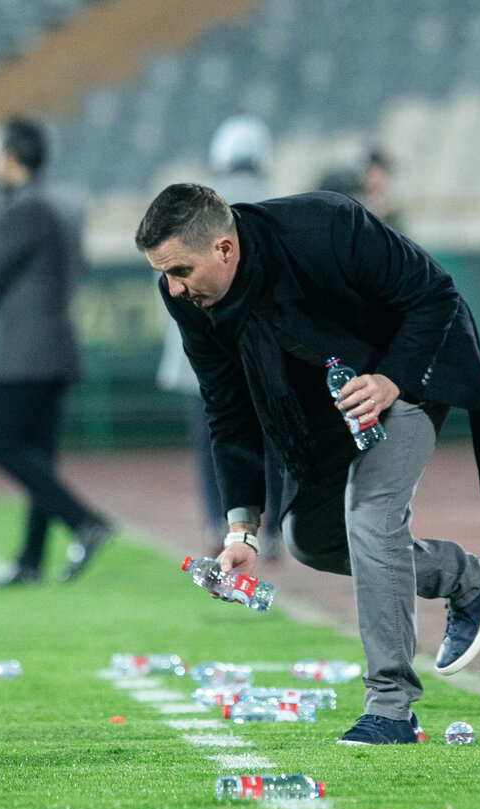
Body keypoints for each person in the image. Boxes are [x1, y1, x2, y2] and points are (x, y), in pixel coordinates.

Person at [136, 183, 480, 745]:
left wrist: (391, 380)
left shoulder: (325, 225)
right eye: (164, 274)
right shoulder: (186, 298)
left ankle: (390, 707)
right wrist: (241, 528)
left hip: (410, 369)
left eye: (179, 270)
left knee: (370, 515)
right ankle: (472, 579)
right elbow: (227, 407)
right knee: (311, 540)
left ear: (225, 249)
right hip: (329, 402)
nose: (171, 288)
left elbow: (435, 294)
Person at [0, 116, 112, 588]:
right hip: (56, 344)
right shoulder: (67, 203)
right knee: (38, 456)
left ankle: (84, 521)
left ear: (10, 157)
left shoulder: (21, 208)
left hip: (19, 351)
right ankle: (30, 561)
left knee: (0, 443)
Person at [157, 115, 284, 559]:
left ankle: (220, 525)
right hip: (267, 351)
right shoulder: (279, 201)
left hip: (201, 352)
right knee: (276, 442)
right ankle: (272, 533)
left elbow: (169, 283)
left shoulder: (189, 209)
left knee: (217, 440)